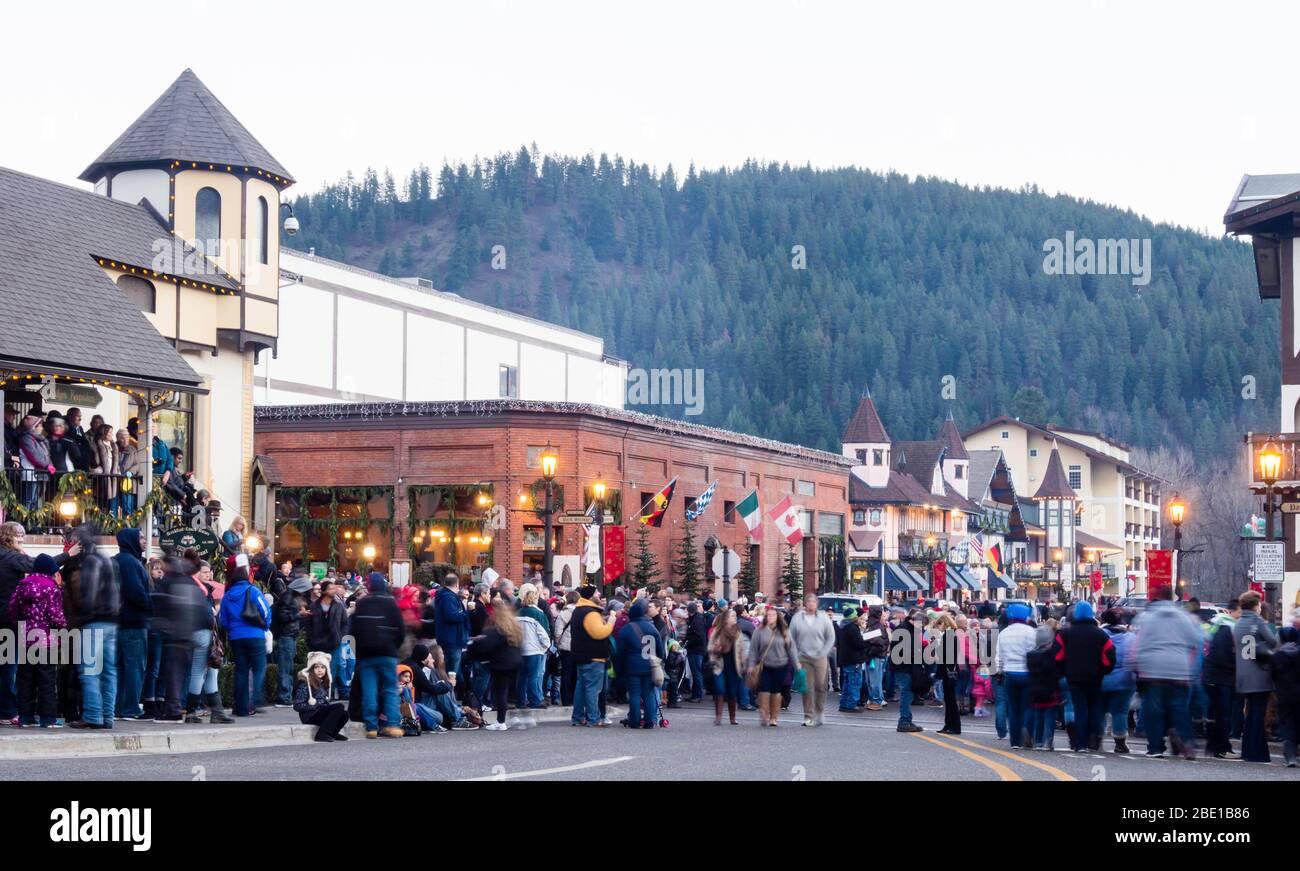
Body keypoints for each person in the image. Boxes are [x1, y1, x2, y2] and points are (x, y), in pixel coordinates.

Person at [1131, 584, 1202, 759]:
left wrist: (1136, 666)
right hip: (1179, 667)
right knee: (1179, 709)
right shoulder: (1184, 617)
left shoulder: (1147, 618)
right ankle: (1186, 740)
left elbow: (1137, 644)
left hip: (1153, 669)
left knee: (1153, 710)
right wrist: (1189, 669)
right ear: (1172, 597)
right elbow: (1195, 643)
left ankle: (1155, 747)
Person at [66, 525, 120, 730]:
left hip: (93, 621)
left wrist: (79, 617)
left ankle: (93, 715)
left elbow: (88, 593)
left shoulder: (91, 562)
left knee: (90, 670)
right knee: (109, 672)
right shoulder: (108, 560)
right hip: (112, 622)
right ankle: (108, 716)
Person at [9, 554, 67, 727]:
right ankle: (47, 718)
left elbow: (13, 608)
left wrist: (21, 625)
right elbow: (55, 615)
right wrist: (63, 627)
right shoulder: (51, 588)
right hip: (45, 639)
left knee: (25, 677)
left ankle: (25, 717)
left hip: (25, 637)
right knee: (46, 678)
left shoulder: (22, 585)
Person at [1051, 600, 1116, 751]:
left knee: (1079, 709)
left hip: (1074, 677)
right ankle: (1094, 740)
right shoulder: (1101, 635)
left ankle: (1080, 743)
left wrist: (1063, 671)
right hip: (1095, 677)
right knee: (1094, 708)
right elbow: (1109, 657)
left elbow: (1057, 657)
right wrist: (1103, 671)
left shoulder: (1065, 634)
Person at [351, 572, 404, 738]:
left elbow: (354, 630)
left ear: (369, 586)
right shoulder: (391, 603)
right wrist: (394, 646)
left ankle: (371, 726)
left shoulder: (362, 604)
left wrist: (359, 649)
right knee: (390, 689)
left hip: (366, 654)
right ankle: (392, 725)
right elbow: (400, 629)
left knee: (369, 690)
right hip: (387, 652)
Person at [218, 564, 271, 717]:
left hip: (236, 637)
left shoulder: (227, 595)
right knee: (259, 669)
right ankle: (253, 703)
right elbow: (266, 610)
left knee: (241, 671)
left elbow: (224, 619)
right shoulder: (253, 590)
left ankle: (241, 707)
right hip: (255, 635)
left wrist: (233, 629)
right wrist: (264, 626)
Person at [464, 600, 524, 731]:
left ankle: (500, 721)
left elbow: (485, 645)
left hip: (501, 664)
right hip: (515, 663)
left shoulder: (498, 630)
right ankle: (505, 718)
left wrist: (472, 651)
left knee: (499, 692)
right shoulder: (514, 628)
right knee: (506, 692)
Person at [1232, 589, 1277, 763]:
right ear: (1255, 605)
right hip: (1259, 672)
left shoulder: (1238, 623)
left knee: (1250, 714)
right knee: (1258, 714)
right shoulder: (1257, 622)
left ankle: (1247, 750)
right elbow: (1272, 641)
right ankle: (1257, 752)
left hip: (1242, 673)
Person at [112, 528, 152, 720]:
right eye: (141, 537)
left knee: (120, 667)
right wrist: (151, 606)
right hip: (133, 623)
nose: (144, 541)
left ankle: (120, 706)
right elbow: (135, 593)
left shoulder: (119, 560)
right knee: (135, 666)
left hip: (120, 622)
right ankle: (130, 708)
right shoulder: (130, 563)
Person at [569, 585, 616, 728]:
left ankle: (578, 717)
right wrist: (611, 622)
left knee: (581, 687)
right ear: (590, 596)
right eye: (596, 592)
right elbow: (599, 633)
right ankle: (593, 718)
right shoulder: (590, 612)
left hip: (581, 655)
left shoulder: (578, 610)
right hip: (593, 657)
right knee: (592, 689)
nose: (599, 594)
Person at [615, 600, 666, 729]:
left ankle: (635, 721)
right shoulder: (652, 627)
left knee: (634, 694)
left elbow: (619, 652)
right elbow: (660, 650)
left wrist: (619, 668)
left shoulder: (626, 629)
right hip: (649, 666)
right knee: (648, 694)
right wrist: (657, 662)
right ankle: (649, 721)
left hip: (632, 667)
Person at [789, 592, 836, 727]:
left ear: (817, 604)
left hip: (820, 656)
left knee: (821, 686)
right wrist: (795, 658)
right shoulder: (797, 618)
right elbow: (791, 639)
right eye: (808, 601)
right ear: (805, 603)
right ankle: (808, 716)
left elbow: (830, 637)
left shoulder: (823, 618)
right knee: (807, 687)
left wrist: (824, 652)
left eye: (813, 602)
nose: (810, 604)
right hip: (803, 657)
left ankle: (820, 711)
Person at [746, 607, 799, 728]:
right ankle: (764, 714)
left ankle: (774, 717)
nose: (770, 617)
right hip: (764, 665)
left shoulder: (784, 630)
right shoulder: (759, 631)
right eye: (768, 615)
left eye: (773, 615)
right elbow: (753, 649)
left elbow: (791, 648)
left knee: (776, 691)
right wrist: (751, 665)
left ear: (778, 617)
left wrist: (796, 663)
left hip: (780, 665)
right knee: (763, 690)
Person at [1201, 597, 1239, 759]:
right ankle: (1222, 748)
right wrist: (1235, 667)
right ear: (1234, 611)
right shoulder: (1227, 627)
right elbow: (1224, 655)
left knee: (1214, 713)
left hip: (1211, 675)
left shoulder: (1215, 624)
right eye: (1240, 611)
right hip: (1222, 677)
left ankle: (1215, 746)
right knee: (1223, 713)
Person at [995, 602, 1037, 748]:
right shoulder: (1031, 632)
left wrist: (999, 671)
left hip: (1009, 673)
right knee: (1028, 706)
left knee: (1013, 708)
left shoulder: (1004, 633)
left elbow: (998, 656)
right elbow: (1034, 652)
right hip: (1027, 673)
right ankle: (1027, 730)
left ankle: (1015, 741)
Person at [1099, 608, 1137, 754]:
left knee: (1099, 710)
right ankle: (1120, 742)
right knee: (1120, 712)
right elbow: (1134, 659)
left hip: (1102, 679)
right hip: (1124, 680)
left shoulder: (1100, 635)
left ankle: (1096, 738)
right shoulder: (1130, 638)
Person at [293, 651, 350, 742]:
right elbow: (297, 705)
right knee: (339, 706)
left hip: (319, 712)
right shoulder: (305, 683)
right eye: (316, 667)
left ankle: (333, 733)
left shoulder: (322, 682)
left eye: (323, 667)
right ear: (311, 669)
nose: (320, 670)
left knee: (345, 714)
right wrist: (315, 705)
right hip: (310, 716)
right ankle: (322, 734)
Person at [308, 580, 350, 699]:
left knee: (332, 669)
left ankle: (328, 694)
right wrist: (311, 638)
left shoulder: (338, 606)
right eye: (331, 588)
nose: (334, 590)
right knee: (317, 669)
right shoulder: (314, 606)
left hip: (334, 642)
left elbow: (344, 623)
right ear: (324, 591)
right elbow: (308, 624)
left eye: (334, 588)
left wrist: (340, 636)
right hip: (317, 643)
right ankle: (317, 694)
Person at [707, 608, 749, 726]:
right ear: (725, 619)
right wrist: (715, 650)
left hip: (734, 665)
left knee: (732, 692)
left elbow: (742, 649)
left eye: (735, 616)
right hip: (720, 664)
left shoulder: (738, 632)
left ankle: (732, 717)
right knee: (719, 689)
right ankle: (718, 717)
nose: (735, 618)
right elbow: (710, 648)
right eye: (732, 616)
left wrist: (744, 663)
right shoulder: (717, 631)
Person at [515, 583, 552, 714]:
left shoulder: (518, 613)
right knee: (534, 676)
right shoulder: (539, 613)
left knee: (522, 676)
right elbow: (544, 633)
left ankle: (520, 701)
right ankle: (535, 701)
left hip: (521, 649)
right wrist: (545, 647)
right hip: (535, 650)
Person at [433, 572, 471, 680]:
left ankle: (453, 694)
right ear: (457, 584)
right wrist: (467, 612)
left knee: (453, 672)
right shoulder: (448, 598)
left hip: (450, 638)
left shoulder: (446, 596)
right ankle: (450, 694)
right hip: (452, 640)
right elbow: (452, 616)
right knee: (451, 674)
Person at [1271, 626, 1300, 767]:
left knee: (1287, 724)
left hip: (1284, 695)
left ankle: (1291, 756)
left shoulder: (1278, 656)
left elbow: (1273, 676)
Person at [837, 608, 869, 713]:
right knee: (854, 682)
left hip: (846, 659)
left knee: (847, 682)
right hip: (853, 659)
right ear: (854, 617)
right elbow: (859, 644)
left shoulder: (842, 627)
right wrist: (866, 641)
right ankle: (851, 704)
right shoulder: (852, 628)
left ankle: (844, 704)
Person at [553, 590, 579, 706]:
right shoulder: (581, 612)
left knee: (566, 674)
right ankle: (575, 698)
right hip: (578, 647)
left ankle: (566, 699)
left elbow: (558, 631)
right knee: (576, 674)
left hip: (565, 647)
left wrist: (558, 644)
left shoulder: (563, 613)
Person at [684, 602, 711, 702]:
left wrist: (688, 642)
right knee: (696, 673)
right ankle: (695, 694)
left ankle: (698, 695)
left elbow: (699, 637)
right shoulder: (697, 618)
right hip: (697, 649)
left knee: (696, 673)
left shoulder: (696, 620)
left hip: (696, 650)